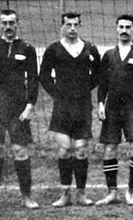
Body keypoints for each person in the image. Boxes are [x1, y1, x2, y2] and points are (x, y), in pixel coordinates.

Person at [0, 9, 39, 210]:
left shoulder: (27, 48)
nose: (9, 26)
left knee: (20, 150)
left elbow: (33, 79)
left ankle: (27, 197)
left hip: (18, 107)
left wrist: (30, 105)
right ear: (0, 24)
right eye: (5, 22)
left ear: (17, 23)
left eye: (12, 22)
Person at [40, 12, 101, 207]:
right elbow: (44, 75)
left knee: (81, 149)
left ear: (79, 26)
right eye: (68, 25)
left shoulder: (90, 48)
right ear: (62, 26)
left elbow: (97, 74)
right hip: (62, 105)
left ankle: (81, 194)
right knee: (65, 149)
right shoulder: (54, 49)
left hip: (82, 104)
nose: (72, 28)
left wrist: (84, 90)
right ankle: (65, 194)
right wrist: (57, 94)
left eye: (75, 25)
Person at [96, 14, 133, 206]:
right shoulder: (109, 55)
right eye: (121, 27)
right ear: (116, 29)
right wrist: (101, 103)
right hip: (112, 107)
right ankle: (112, 192)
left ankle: (131, 191)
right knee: (110, 147)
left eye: (128, 27)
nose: (125, 30)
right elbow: (102, 82)